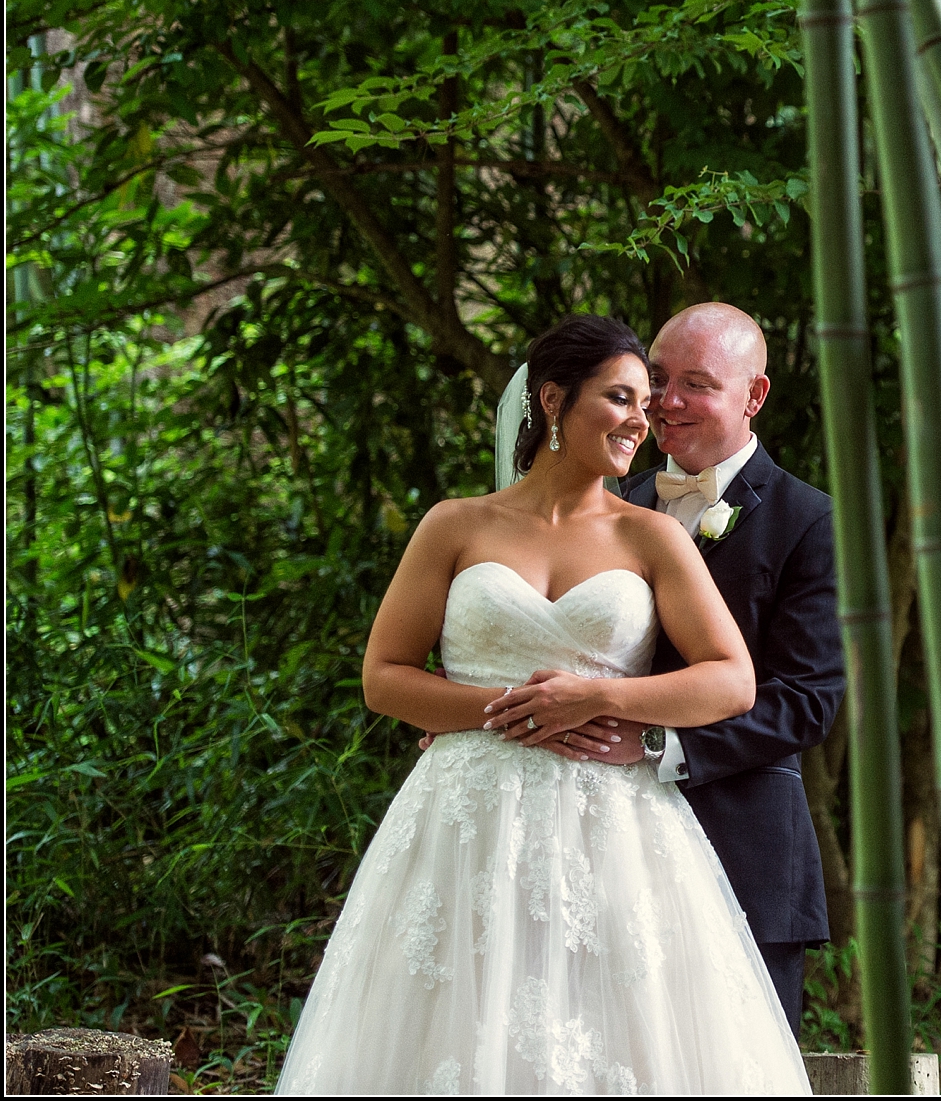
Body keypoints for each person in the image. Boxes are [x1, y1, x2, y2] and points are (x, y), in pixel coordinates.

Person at [274, 315, 810, 1096]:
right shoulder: (455, 526)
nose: (643, 417)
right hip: (466, 820)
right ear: (554, 401)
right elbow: (385, 677)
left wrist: (597, 696)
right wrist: (508, 709)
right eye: (622, 397)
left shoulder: (653, 537)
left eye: (647, 399)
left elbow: (731, 679)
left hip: (614, 829)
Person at [554, 302, 843, 1034]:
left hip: (743, 845)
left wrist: (656, 744)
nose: (668, 401)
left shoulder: (811, 522)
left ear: (754, 397)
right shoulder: (609, 501)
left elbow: (807, 701)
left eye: (697, 384)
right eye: (656, 379)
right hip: (593, 841)